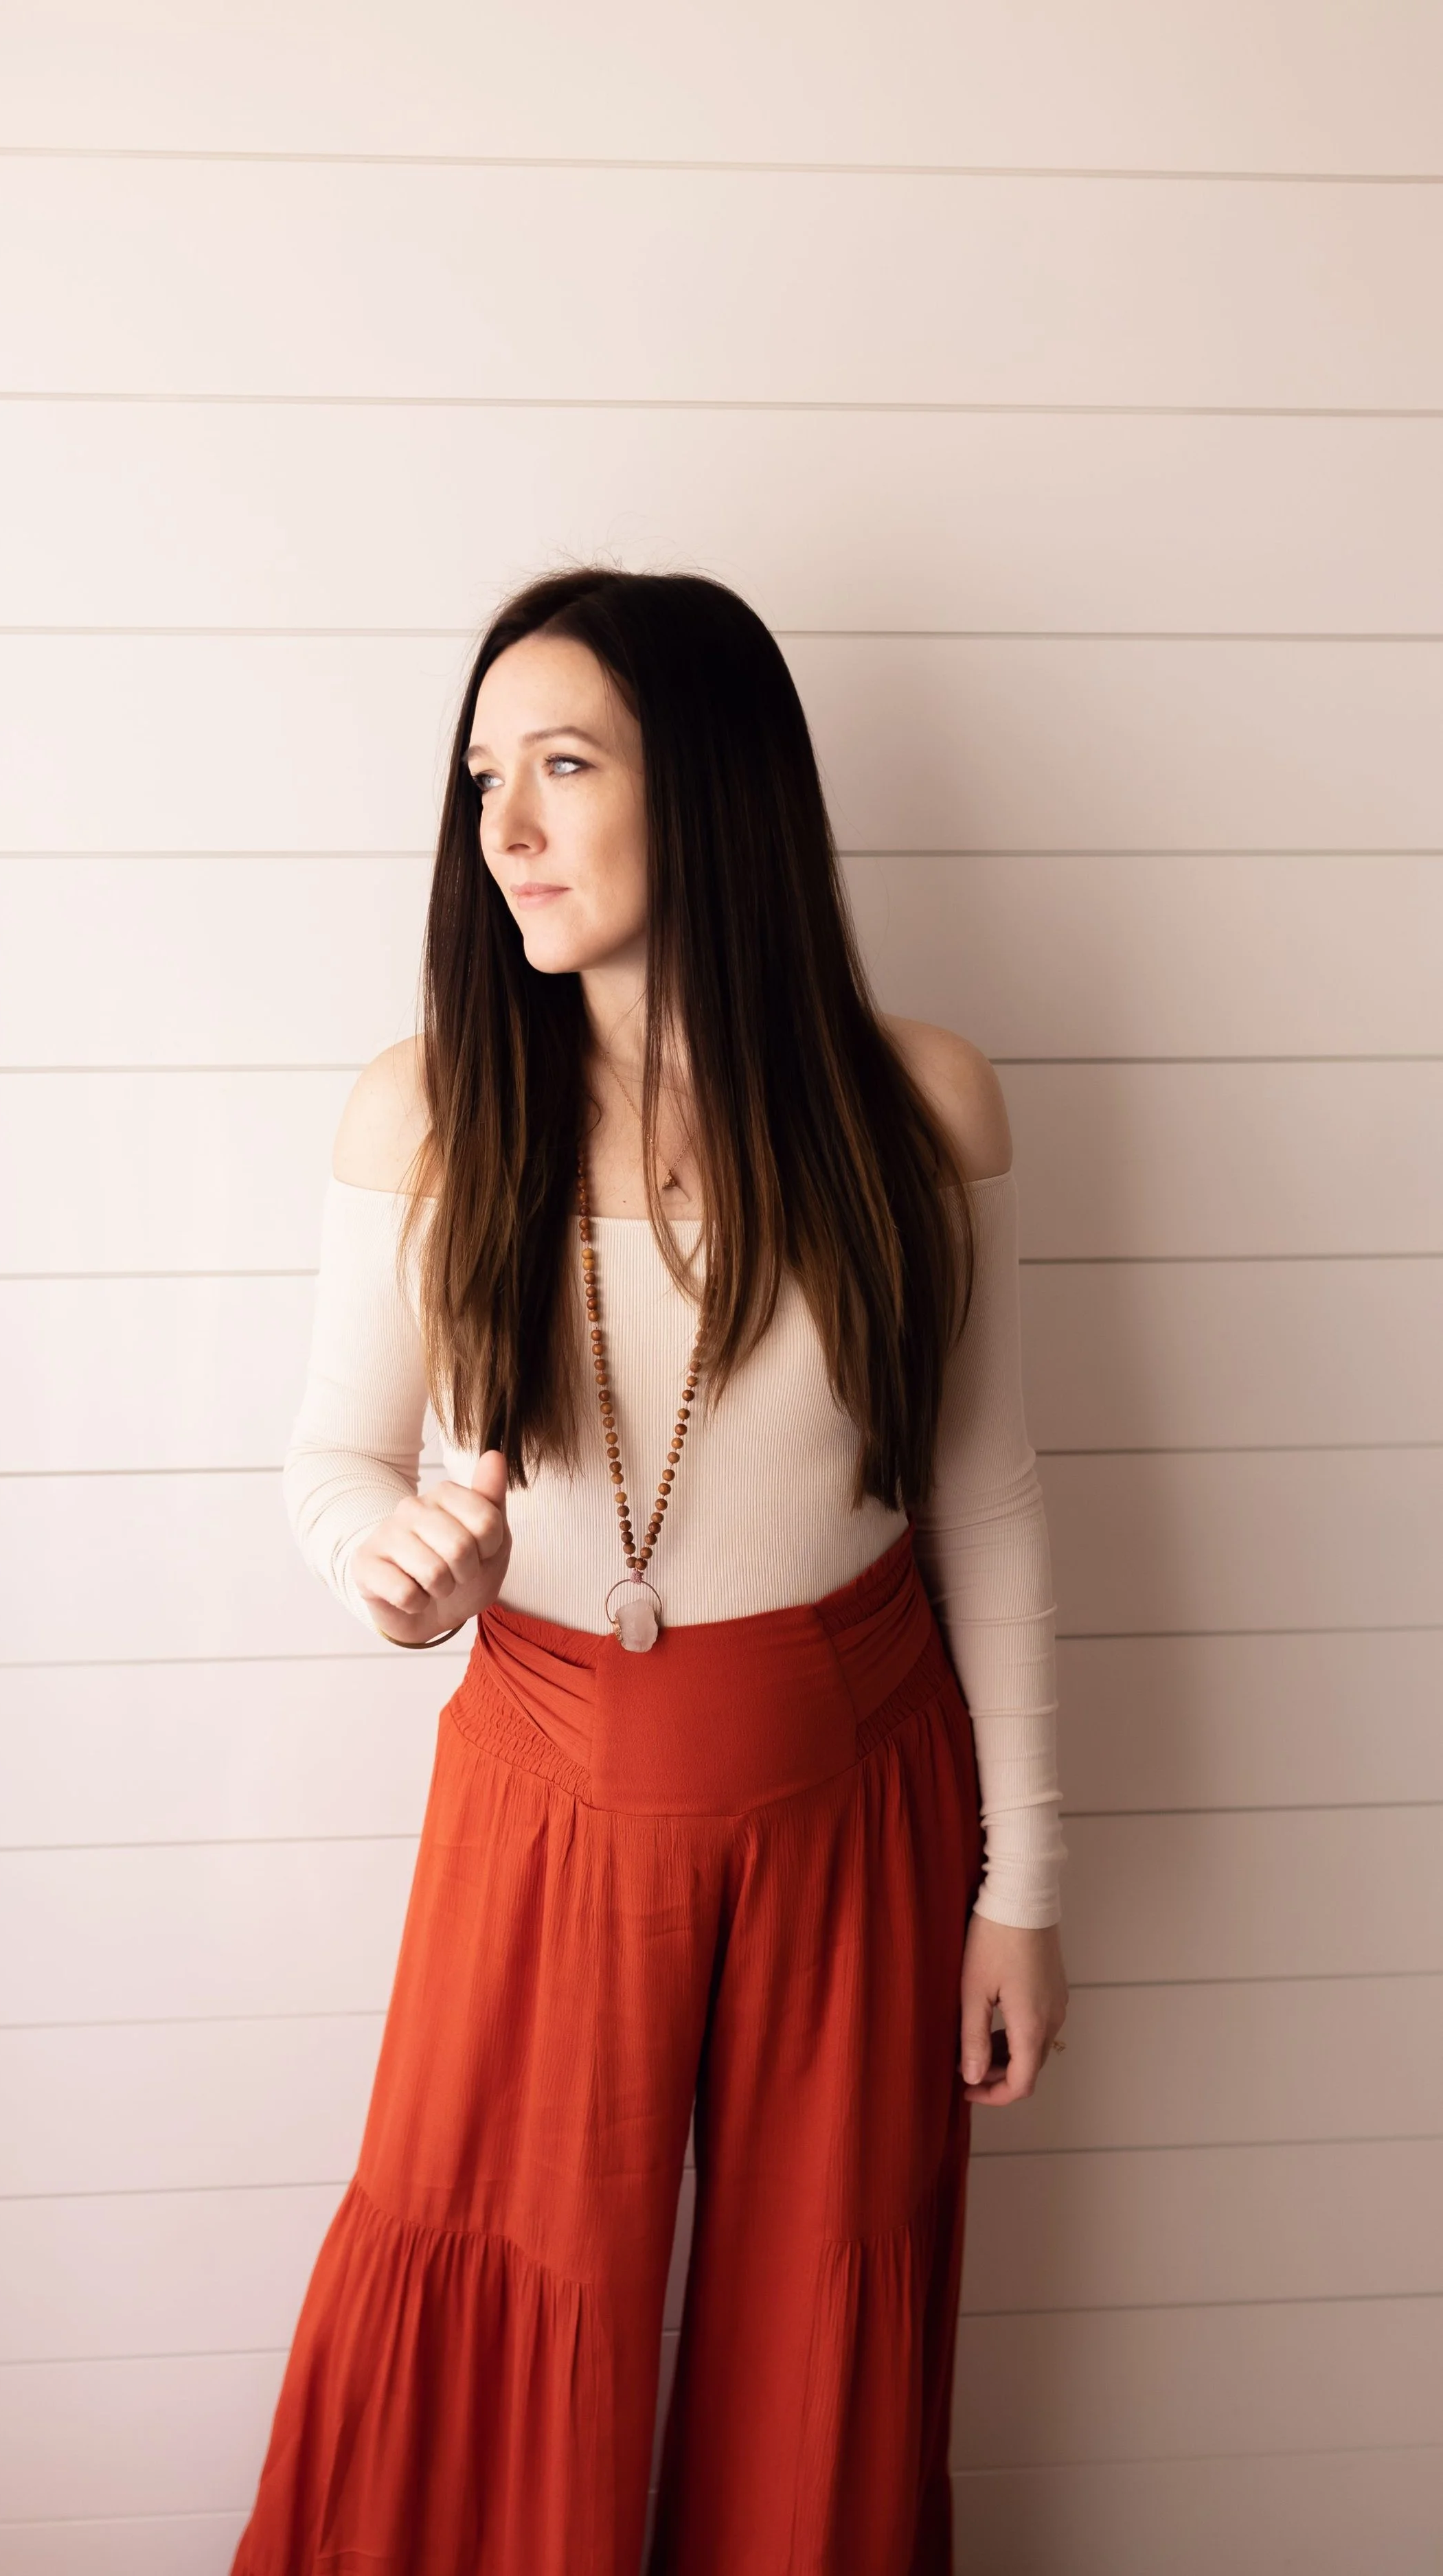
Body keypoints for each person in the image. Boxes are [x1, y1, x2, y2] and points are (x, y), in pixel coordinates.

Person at [231, 568, 1069, 2576]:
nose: (503, 828)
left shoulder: (914, 1107)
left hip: (858, 1782)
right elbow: (334, 1459)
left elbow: (995, 1511)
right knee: (504, 2276)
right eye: (480, 780)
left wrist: (1021, 1884)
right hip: (541, 1781)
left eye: (563, 765)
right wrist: (399, 1565)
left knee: (820, 2322)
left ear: (704, 787)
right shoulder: (428, 1109)